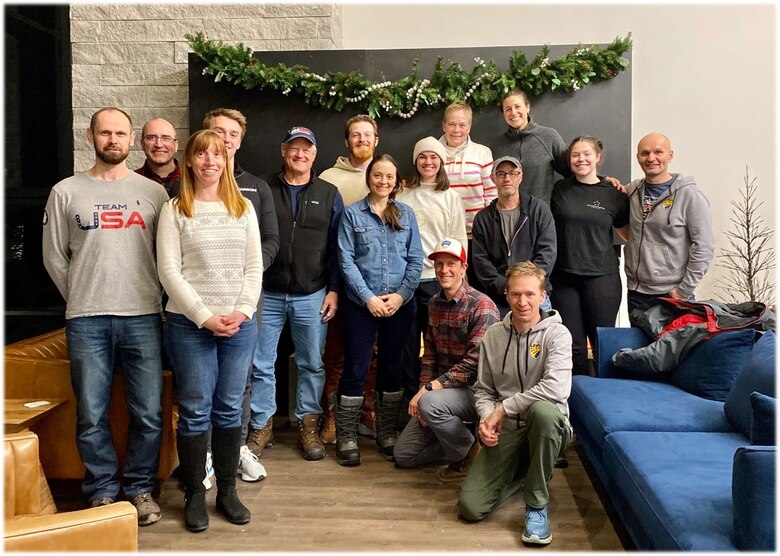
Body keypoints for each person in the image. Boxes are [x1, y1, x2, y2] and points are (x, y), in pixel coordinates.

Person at [42, 107, 169, 525]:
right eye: (105, 133)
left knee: (148, 411)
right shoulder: (65, 192)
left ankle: (139, 488)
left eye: (120, 133)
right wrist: (82, 293)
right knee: (91, 411)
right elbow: (55, 257)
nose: (112, 140)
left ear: (131, 139)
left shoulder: (153, 194)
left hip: (144, 316)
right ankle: (100, 491)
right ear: (90, 136)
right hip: (87, 319)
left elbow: (166, 258)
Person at [157, 129, 262, 532]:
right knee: (197, 410)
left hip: (239, 325)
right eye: (201, 155)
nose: (209, 162)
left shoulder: (242, 208)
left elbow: (254, 267)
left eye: (216, 155)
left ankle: (228, 491)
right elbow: (169, 272)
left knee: (229, 408)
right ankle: (195, 494)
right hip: (189, 326)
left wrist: (242, 311)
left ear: (226, 160)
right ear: (189, 161)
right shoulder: (175, 210)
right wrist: (204, 316)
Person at [458, 262, 573, 546]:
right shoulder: (493, 336)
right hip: (508, 432)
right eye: (516, 294)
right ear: (507, 296)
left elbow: (556, 389)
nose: (523, 302)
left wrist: (503, 408)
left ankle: (536, 505)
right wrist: (487, 420)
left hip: (548, 428)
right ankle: (526, 469)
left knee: (543, 411)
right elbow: (483, 389)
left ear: (543, 296)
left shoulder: (558, 335)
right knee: (470, 508)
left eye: (530, 294)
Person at [248, 126, 344, 462]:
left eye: (306, 149)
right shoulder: (262, 189)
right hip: (266, 293)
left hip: (312, 292)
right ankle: (262, 425)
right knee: (261, 363)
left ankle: (308, 423)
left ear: (314, 154)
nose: (299, 154)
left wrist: (334, 289)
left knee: (311, 364)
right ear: (283, 150)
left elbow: (337, 248)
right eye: (294, 148)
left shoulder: (329, 193)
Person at [201, 108, 279, 483]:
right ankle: (205, 454)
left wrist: (245, 277)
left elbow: (270, 240)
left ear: (240, 140)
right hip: (199, 304)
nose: (226, 139)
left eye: (232, 133)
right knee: (202, 380)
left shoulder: (256, 188)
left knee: (243, 376)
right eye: (218, 132)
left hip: (247, 297)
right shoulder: (185, 187)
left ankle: (235, 449)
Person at [335, 153, 423, 466]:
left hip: (400, 305)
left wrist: (400, 296)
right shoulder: (351, 215)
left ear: (396, 182)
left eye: (389, 177)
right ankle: (346, 436)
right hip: (361, 305)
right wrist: (367, 297)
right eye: (377, 175)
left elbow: (415, 260)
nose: (382, 181)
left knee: (392, 368)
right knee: (356, 368)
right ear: (369, 177)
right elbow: (345, 260)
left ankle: (387, 433)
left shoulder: (407, 214)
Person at [393, 238, 499, 480]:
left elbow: (475, 363)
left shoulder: (482, 305)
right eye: (439, 264)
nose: (444, 270)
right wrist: (424, 388)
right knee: (404, 456)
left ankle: (466, 454)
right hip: (442, 394)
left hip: (477, 392)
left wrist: (429, 391)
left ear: (464, 267)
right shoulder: (434, 303)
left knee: (429, 403)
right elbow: (429, 353)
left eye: (451, 263)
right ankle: (465, 443)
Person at [318, 114, 381, 445]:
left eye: (367, 135)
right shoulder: (329, 178)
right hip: (340, 276)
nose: (361, 140)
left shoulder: (386, 174)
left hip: (376, 281)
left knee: (371, 353)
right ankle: (332, 415)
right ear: (347, 141)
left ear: (376, 140)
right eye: (355, 135)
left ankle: (365, 412)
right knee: (336, 353)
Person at [550, 137, 630, 375]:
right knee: (572, 347)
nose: (581, 159)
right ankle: (577, 402)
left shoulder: (614, 192)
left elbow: (626, 233)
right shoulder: (560, 189)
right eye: (575, 155)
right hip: (564, 278)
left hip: (602, 278)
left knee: (602, 343)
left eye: (586, 154)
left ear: (597, 157)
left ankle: (605, 397)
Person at [397, 136, 467, 403]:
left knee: (440, 346)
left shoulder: (450, 197)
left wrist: (459, 279)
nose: (428, 162)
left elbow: (459, 239)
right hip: (407, 281)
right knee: (407, 346)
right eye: (423, 157)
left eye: (434, 157)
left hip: (438, 281)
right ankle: (408, 403)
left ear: (441, 162)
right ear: (416, 161)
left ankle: (439, 402)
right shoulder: (402, 193)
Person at [624, 133, 714, 314]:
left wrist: (683, 290)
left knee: (674, 343)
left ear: (670, 155)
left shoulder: (689, 195)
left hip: (672, 295)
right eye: (645, 153)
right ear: (638, 158)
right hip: (636, 294)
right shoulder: (631, 191)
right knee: (641, 343)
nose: (651, 158)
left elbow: (704, 246)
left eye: (658, 152)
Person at [471, 156, 556, 316]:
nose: (507, 178)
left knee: (537, 341)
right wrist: (509, 289)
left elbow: (547, 254)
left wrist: (523, 288)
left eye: (513, 173)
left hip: (534, 296)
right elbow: (481, 262)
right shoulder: (483, 218)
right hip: (497, 299)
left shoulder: (539, 210)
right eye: (501, 174)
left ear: (521, 176)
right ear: (492, 178)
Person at [438, 102, 496, 284]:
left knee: (477, 287)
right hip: (444, 234)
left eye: (462, 125)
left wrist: (488, 229)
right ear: (444, 125)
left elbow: (491, 194)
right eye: (452, 124)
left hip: (476, 235)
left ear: (469, 127)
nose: (457, 130)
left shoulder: (482, 153)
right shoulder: (433, 153)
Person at [489, 90, 570, 203]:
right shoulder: (496, 145)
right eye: (508, 109)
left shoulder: (548, 136)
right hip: (507, 215)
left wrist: (599, 179)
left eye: (517, 106)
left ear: (527, 107)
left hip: (541, 215)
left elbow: (572, 170)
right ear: (504, 114)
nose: (513, 112)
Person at [135, 117, 180, 195]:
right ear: (142, 144)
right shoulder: (132, 182)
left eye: (166, 138)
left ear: (176, 145)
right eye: (151, 138)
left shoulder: (194, 179)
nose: (159, 145)